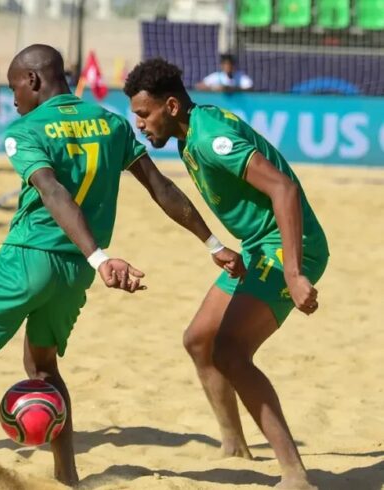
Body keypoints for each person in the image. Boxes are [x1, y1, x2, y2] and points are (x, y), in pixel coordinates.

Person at [0, 45, 244, 488]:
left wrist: (100, 256)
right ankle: (67, 475)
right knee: (44, 369)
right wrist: (211, 243)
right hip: (75, 274)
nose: (12, 97)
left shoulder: (26, 129)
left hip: (30, 258)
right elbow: (161, 188)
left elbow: (53, 193)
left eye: (14, 86)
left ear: (33, 80)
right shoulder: (111, 123)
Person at [124, 58, 329, 490]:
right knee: (198, 339)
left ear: (172, 106)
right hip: (258, 247)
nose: (139, 124)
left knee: (232, 350)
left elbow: (284, 189)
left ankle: (295, 474)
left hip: (291, 246)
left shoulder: (212, 137)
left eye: (144, 114)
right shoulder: (189, 133)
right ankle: (235, 446)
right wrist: (218, 247)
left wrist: (293, 273)